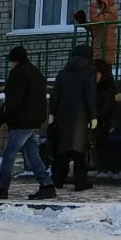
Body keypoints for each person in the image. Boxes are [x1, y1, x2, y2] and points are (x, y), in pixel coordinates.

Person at [0, 45, 55, 200]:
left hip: (22, 121)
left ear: (15, 60)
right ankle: (47, 185)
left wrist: (2, 116)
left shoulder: (18, 74)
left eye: (11, 61)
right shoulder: (35, 72)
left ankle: (2, 187)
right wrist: (2, 114)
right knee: (32, 154)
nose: (10, 64)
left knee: (9, 153)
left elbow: (14, 100)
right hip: (35, 120)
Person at [49, 44, 97, 191]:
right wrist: (93, 116)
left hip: (62, 115)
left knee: (62, 150)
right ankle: (80, 182)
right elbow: (90, 95)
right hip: (80, 117)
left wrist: (52, 113)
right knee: (79, 151)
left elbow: (55, 95)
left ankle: (57, 179)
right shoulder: (89, 72)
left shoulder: (63, 73)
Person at [88, 0, 118, 64]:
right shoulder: (105, 12)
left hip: (106, 48)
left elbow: (96, 21)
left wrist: (93, 7)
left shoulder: (111, 12)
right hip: (100, 46)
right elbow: (95, 27)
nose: (98, 4)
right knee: (98, 67)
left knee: (103, 67)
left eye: (99, 1)